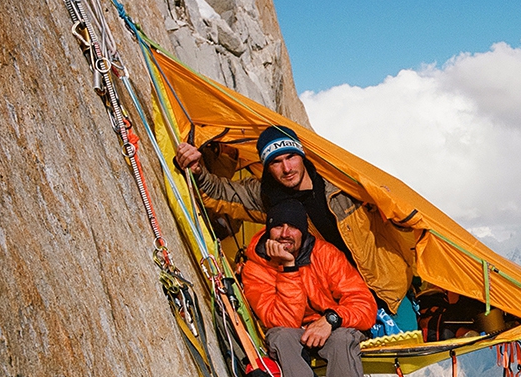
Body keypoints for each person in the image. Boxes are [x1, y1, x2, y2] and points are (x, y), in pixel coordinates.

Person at [174, 125, 414, 314]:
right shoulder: (268, 198)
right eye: (276, 162)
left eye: (290, 157)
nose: (286, 168)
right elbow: (218, 193)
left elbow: (394, 205)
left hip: (387, 289)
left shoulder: (339, 182)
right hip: (337, 299)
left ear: (301, 155)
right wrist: (196, 168)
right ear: (267, 167)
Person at [242, 199, 378, 377]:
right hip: (295, 333)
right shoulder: (256, 267)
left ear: (303, 231)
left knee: (343, 339)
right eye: (277, 226)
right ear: (268, 231)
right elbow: (280, 321)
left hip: (331, 329)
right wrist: (288, 269)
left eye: (293, 227)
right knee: (280, 337)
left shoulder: (326, 255)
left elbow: (364, 304)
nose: (284, 233)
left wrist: (330, 320)